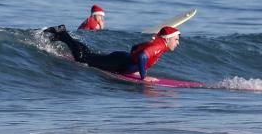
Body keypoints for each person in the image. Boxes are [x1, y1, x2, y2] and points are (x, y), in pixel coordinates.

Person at [45, 24, 180, 80]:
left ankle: (61, 36)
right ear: (167, 39)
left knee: (89, 54)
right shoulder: (159, 45)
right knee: (82, 58)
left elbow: (135, 48)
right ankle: (63, 34)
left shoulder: (157, 43)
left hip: (121, 59)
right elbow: (143, 56)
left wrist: (134, 65)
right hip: (118, 62)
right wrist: (143, 76)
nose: (178, 42)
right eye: (176, 39)